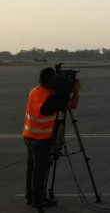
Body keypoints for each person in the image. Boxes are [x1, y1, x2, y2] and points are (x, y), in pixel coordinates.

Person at [23, 67, 80, 210]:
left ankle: (31, 196)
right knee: (40, 171)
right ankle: (38, 199)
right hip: (41, 138)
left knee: (32, 167)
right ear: (50, 82)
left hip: (28, 135)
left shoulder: (35, 90)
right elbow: (73, 104)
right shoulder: (51, 98)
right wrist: (76, 89)